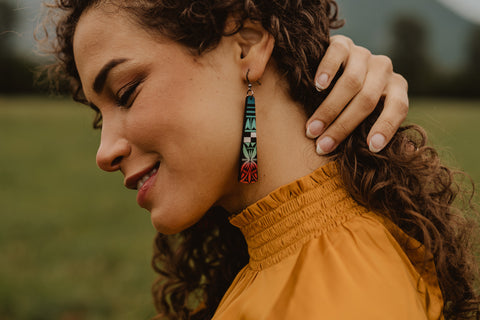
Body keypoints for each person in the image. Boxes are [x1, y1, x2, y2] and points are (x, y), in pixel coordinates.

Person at [41, 0, 479, 319]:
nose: (105, 152)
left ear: (247, 47)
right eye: (101, 118)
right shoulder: (272, 251)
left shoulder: (339, 283)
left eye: (126, 93)